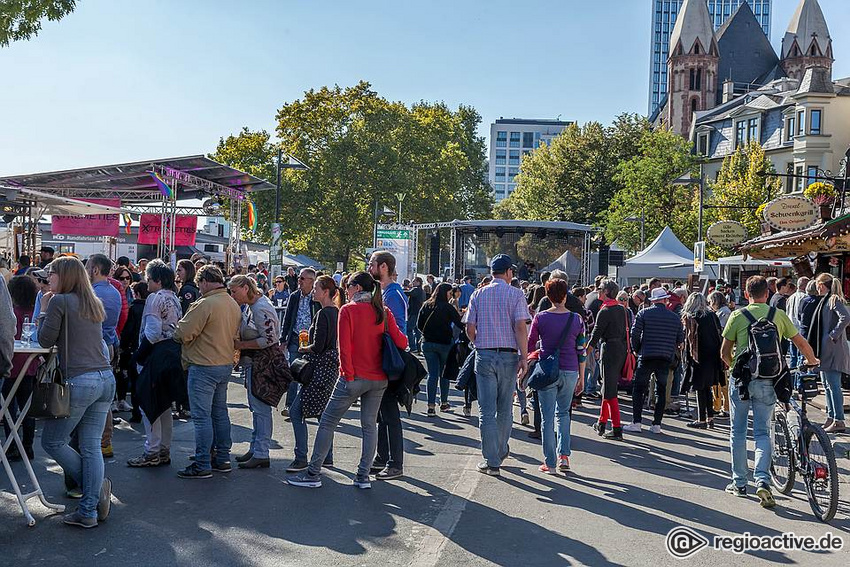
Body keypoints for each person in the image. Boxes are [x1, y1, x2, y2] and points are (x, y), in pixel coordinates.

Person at [287, 271, 408, 489]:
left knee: (327, 422)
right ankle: (362, 476)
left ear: (357, 288)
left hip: (353, 376)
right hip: (379, 378)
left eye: (349, 285)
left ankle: (313, 473)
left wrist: (347, 374)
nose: (346, 288)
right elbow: (402, 341)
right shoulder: (383, 311)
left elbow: (344, 347)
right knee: (369, 426)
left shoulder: (349, 310)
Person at [721, 275, 818, 507]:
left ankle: (739, 483)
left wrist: (735, 365)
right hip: (769, 380)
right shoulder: (778, 315)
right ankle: (763, 482)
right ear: (767, 293)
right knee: (763, 433)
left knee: (738, 432)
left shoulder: (737, 316)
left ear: (746, 294)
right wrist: (812, 360)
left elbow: (724, 352)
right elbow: (801, 344)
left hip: (742, 382)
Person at [37, 257, 114, 528]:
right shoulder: (92, 302)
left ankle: (93, 497)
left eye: (52, 274)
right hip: (105, 379)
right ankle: (90, 506)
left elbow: (45, 340)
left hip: (82, 380)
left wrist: (44, 310)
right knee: (91, 446)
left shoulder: (60, 302)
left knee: (52, 442)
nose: (48, 279)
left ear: (65, 276)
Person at [173, 265, 241, 479]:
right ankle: (222, 457)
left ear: (203, 282)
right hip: (224, 363)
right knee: (219, 413)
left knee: (202, 417)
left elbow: (183, 333)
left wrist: (177, 331)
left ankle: (202, 462)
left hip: (204, 365)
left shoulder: (204, 303)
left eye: (200, 284)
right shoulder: (231, 302)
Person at [465, 254, 529, 476]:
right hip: (509, 356)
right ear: (509, 272)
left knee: (486, 409)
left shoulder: (478, 294)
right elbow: (521, 326)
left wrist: (479, 343)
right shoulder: (516, 294)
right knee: (504, 408)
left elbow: (469, 328)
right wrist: (524, 356)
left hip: (484, 355)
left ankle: (492, 459)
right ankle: (500, 451)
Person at [525, 279, 585, 474]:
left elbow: (530, 343)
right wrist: (582, 377)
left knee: (547, 417)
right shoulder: (577, 319)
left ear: (547, 296)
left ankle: (549, 462)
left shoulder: (540, 318)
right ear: (565, 295)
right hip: (570, 369)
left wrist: (526, 365)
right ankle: (564, 457)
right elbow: (581, 350)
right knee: (563, 414)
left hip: (547, 371)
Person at [127, 260, 182, 468]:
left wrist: (138, 356)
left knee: (149, 405)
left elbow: (152, 332)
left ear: (157, 280)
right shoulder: (174, 298)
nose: (146, 282)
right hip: (172, 353)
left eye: (148, 279)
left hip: (156, 355)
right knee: (164, 405)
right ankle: (164, 449)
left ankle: (151, 451)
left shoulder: (154, 298)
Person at [286, 275, 340, 472]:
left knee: (296, 412)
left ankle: (301, 457)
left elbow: (318, 346)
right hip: (330, 368)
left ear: (326, 292)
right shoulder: (336, 312)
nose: (314, 291)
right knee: (323, 414)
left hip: (319, 369)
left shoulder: (324, 313)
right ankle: (327, 456)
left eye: (317, 287)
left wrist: (303, 348)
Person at [229, 275, 282, 469]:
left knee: (260, 409)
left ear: (245, 288)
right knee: (256, 408)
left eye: (234, 291)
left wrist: (242, 344)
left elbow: (269, 339)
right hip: (255, 362)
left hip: (262, 363)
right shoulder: (255, 306)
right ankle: (256, 447)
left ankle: (261, 451)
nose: (233, 296)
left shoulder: (260, 307)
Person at [368, 251, 408, 480]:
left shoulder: (392, 294)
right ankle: (382, 457)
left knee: (390, 414)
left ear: (383, 267)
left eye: (372, 264)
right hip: (385, 357)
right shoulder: (385, 292)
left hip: (391, 359)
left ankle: (395, 463)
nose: (369, 266)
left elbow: (397, 330)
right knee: (382, 413)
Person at [87, 254, 122, 458]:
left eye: (89, 266)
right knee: (103, 399)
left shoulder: (94, 293)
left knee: (97, 400)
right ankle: (103, 441)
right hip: (108, 344)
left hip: (96, 346)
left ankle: (99, 440)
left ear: (96, 269)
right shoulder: (114, 291)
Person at [808, 273, 850, 433]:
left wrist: (833, 335)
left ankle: (839, 420)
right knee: (827, 385)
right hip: (827, 350)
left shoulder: (833, 300)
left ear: (821, 285)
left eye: (818, 284)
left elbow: (845, 317)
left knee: (833, 386)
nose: (816, 287)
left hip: (833, 351)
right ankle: (832, 416)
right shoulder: (827, 300)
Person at [587, 279, 629, 440]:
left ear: (606, 292)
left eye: (600, 289)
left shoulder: (605, 311)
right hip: (620, 350)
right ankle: (602, 423)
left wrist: (584, 355)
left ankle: (617, 428)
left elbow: (595, 335)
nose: (598, 291)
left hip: (609, 350)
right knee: (607, 387)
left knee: (610, 390)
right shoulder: (622, 309)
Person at [3, 275, 37, 460]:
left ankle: (12, 445)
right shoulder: (34, 312)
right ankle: (28, 446)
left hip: (12, 365)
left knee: (9, 409)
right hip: (30, 366)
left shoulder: (12, 312)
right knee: (27, 409)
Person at [418, 282, 463, 416]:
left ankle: (430, 406)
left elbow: (419, 325)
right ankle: (443, 403)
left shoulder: (426, 305)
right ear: (446, 293)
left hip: (427, 343)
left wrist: (428, 333)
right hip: (444, 344)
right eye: (450, 293)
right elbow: (459, 324)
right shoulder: (448, 308)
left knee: (432, 374)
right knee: (444, 374)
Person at [279, 268, 320, 415]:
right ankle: (290, 406)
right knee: (294, 372)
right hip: (295, 338)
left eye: (302, 279)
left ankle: (308, 406)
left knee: (311, 373)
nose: (299, 281)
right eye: (299, 278)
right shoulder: (294, 296)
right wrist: (283, 339)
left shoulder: (317, 298)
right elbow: (287, 318)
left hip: (313, 341)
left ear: (311, 281)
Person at [681, 293, 723, 429]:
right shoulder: (712, 315)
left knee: (700, 388)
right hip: (713, 355)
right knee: (708, 387)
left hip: (698, 356)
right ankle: (710, 417)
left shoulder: (691, 317)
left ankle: (702, 419)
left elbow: (688, 340)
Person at [120, 281, 148, 423]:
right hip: (149, 349)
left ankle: (137, 412)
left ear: (136, 294)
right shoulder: (152, 306)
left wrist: (123, 345)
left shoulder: (134, 308)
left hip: (135, 350)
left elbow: (128, 330)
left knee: (136, 383)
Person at [708, 291, 732, 417]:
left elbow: (721, 332)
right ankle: (718, 405)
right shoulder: (723, 312)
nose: (710, 304)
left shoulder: (724, 313)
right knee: (719, 380)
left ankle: (724, 406)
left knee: (721, 381)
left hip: (721, 350)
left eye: (711, 301)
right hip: (721, 350)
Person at [786, 276, 810, 370]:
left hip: (791, 330)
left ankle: (792, 379)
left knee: (793, 357)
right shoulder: (805, 298)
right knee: (801, 357)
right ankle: (799, 379)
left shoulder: (791, 297)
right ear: (805, 286)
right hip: (800, 332)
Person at [406, 277, 426, 354]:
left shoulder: (416, 289)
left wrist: (401, 291)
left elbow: (409, 293)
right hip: (419, 312)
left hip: (414, 313)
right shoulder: (422, 291)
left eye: (414, 281)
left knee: (409, 329)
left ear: (418, 282)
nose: (412, 282)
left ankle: (413, 346)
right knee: (417, 331)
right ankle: (419, 348)